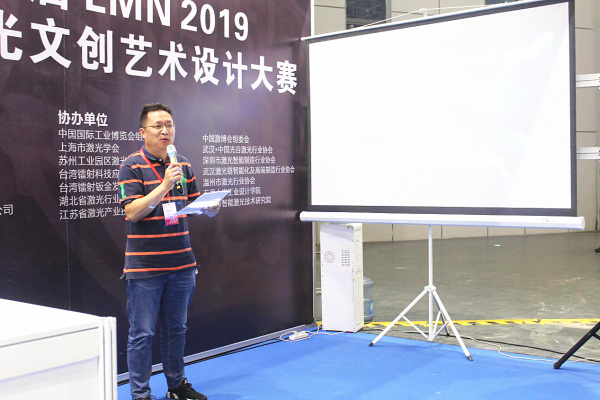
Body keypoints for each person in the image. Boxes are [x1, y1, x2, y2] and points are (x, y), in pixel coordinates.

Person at [118, 103, 218, 400]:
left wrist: (209, 208)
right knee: (142, 334)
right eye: (158, 126)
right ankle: (140, 394)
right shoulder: (131, 166)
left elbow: (194, 203)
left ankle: (177, 386)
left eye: (169, 125)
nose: (165, 131)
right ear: (143, 132)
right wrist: (164, 185)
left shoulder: (182, 163)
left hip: (182, 264)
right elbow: (133, 212)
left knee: (177, 330)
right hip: (145, 267)